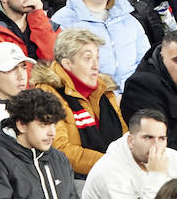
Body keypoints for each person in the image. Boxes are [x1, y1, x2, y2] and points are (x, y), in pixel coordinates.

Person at [0, 87, 81, 199]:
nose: (52, 132)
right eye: (44, 124)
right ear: (21, 125)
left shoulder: (59, 159)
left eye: (54, 124)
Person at [30, 27, 125, 177]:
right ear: (68, 64)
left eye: (97, 58)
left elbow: (125, 137)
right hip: (73, 178)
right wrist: (111, 164)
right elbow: (60, 150)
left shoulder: (105, 91)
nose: (95, 65)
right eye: (88, 58)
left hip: (115, 171)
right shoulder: (46, 94)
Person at [53, 0, 150, 91]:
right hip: (93, 100)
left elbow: (146, 64)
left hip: (134, 97)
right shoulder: (63, 22)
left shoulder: (129, 20)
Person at [84, 111, 177, 199]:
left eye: (161, 139)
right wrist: (157, 176)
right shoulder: (108, 171)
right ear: (131, 140)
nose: (156, 145)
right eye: (148, 138)